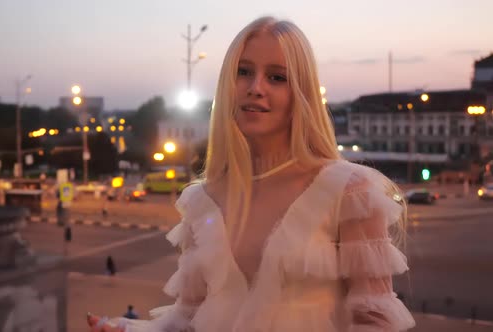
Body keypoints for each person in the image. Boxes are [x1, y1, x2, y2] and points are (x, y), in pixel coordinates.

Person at [96, 16, 415, 332]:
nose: (255, 88)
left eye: (277, 77)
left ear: (301, 93)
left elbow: (375, 320)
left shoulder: (349, 191)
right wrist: (127, 329)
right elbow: (188, 319)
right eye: (243, 72)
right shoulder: (201, 201)